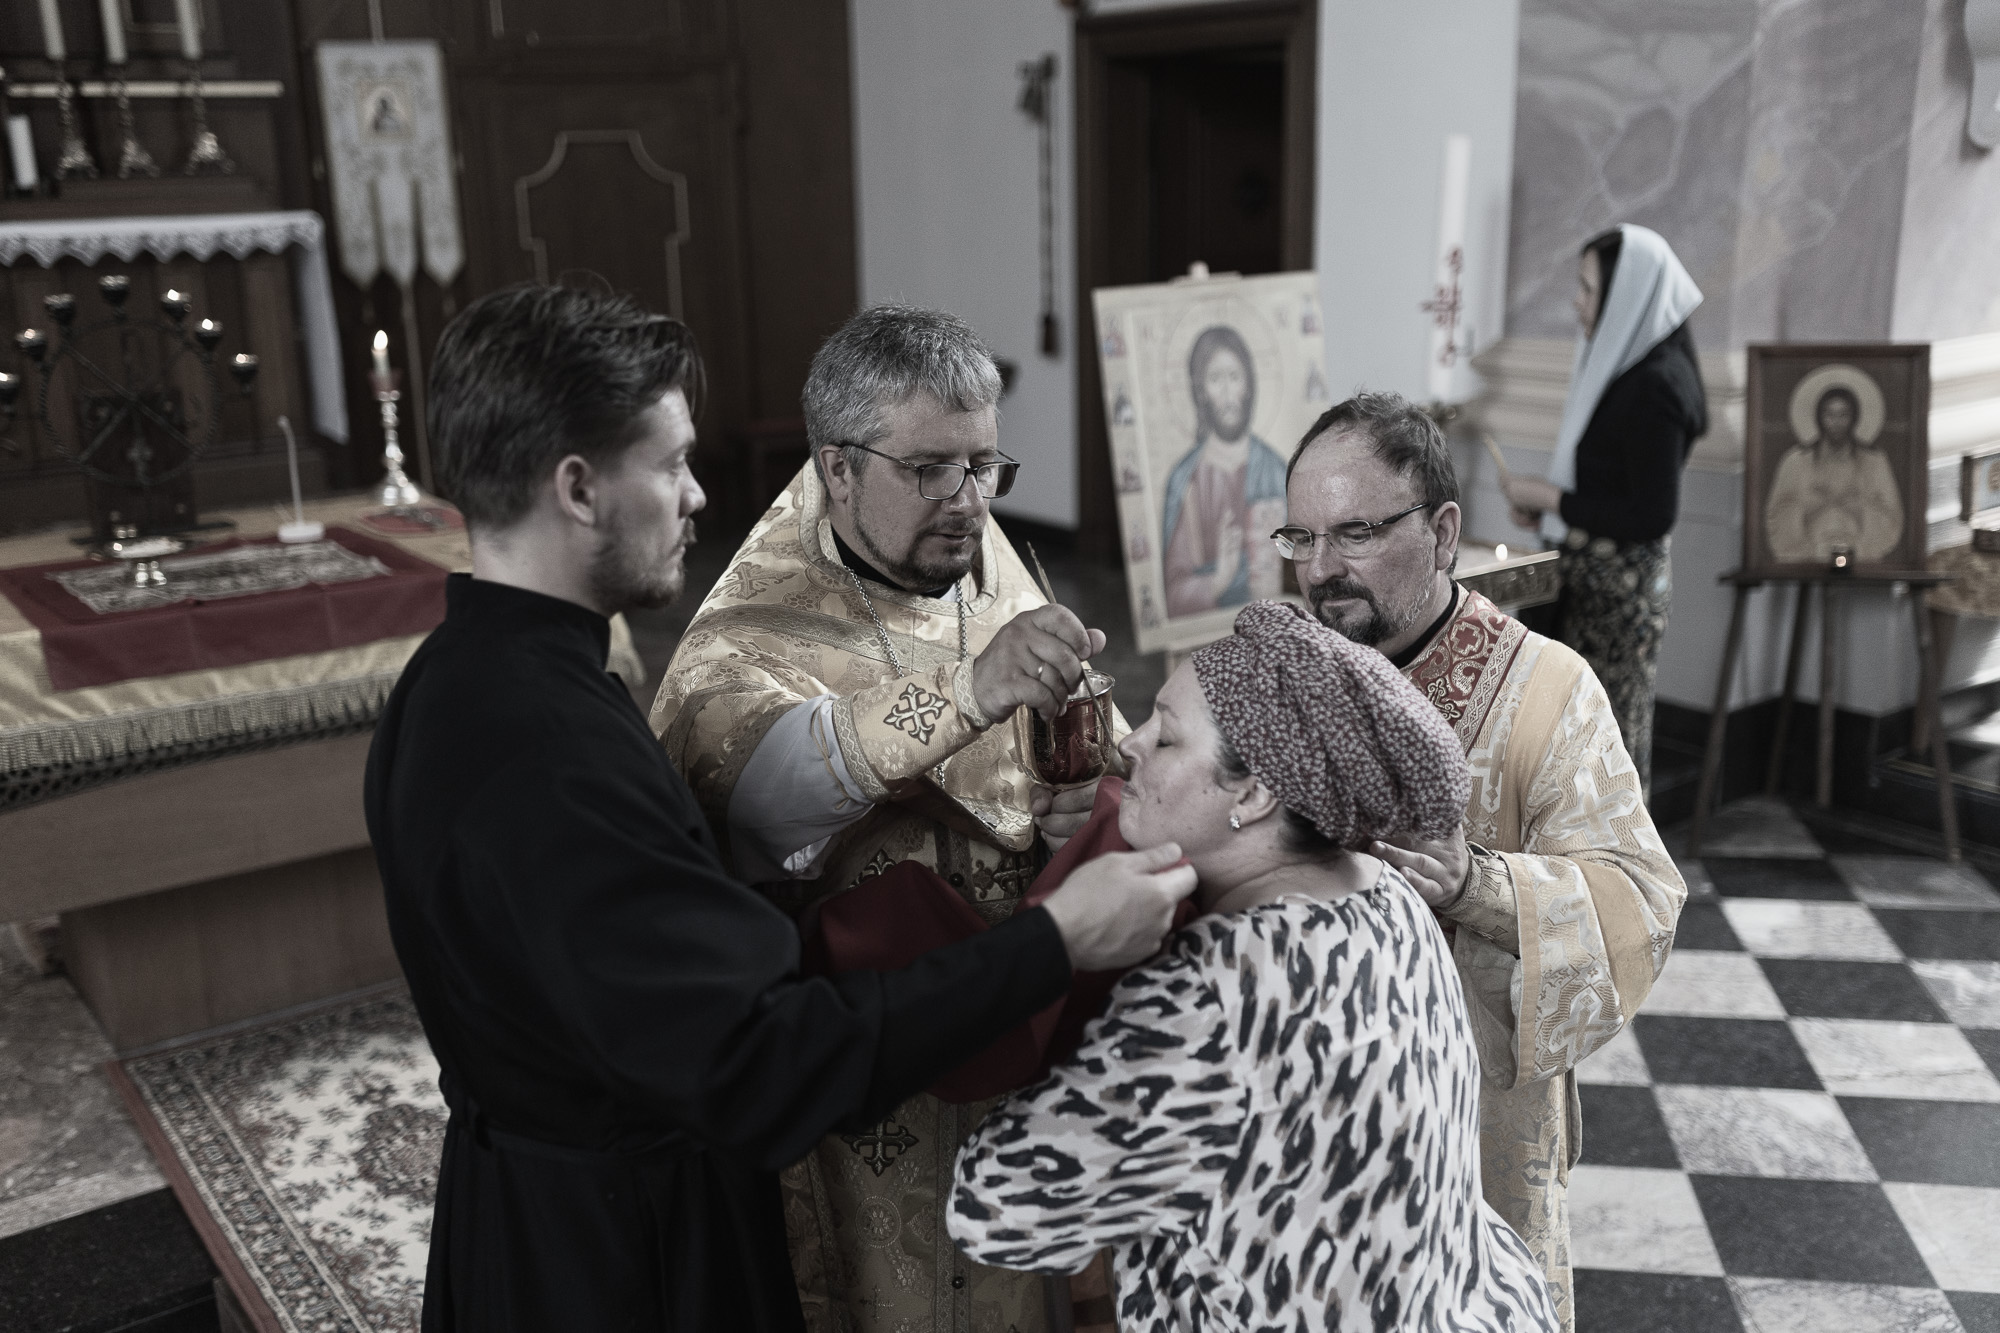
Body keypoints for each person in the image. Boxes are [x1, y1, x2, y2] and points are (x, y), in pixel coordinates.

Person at [363, 285, 1197, 1331]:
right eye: (669, 464)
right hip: (615, 1251)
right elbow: (756, 1058)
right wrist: (1051, 943)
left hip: (569, 1205)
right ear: (577, 488)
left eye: (979, 467)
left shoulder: (454, 679)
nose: (698, 497)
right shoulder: (553, 744)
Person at [652, 304, 1123, 1332]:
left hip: (1017, 1040)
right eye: (929, 470)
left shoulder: (989, 566)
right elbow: (763, 784)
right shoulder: (745, 630)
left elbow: (1081, 757)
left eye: (983, 466)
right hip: (866, 1093)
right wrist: (967, 693)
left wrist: (1073, 803)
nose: (967, 502)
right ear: (835, 468)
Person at [949, 602, 1560, 1332]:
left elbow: (996, 1208)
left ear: (1255, 791)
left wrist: (1062, 949)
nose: (1129, 747)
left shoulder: (1219, 989)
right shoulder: (1386, 893)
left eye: (1167, 736)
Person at [1276, 391, 1687, 1333]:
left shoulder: (1548, 690)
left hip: (1473, 1137)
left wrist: (1477, 884)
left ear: (1444, 530)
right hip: (1311, 1124)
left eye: (1356, 532)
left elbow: (1641, 898)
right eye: (1300, 538)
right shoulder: (1285, 673)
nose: (1322, 569)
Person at [1497, 224, 1707, 791]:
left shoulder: (1657, 386)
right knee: (1573, 748)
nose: (1577, 302)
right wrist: (1552, 516)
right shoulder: (1627, 369)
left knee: (1603, 752)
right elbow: (1615, 489)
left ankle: (1613, 876)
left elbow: (1651, 515)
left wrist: (1550, 498)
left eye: (1589, 289)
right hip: (1590, 588)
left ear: (1627, 296)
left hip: (1615, 604)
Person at [1160, 325, 1289, 617]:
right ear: (1200, 391)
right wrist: (1219, 579)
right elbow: (1172, 593)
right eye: (1216, 379)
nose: (1228, 392)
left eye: (1234, 376)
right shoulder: (1185, 480)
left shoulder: (1275, 469)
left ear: (1248, 385)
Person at [1764, 379, 1903, 562]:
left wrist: (1858, 506)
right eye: (1829, 415)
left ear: (1854, 417)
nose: (1836, 422)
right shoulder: (1795, 462)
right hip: (1810, 550)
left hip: (1857, 549)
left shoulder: (1874, 463)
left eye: (1843, 415)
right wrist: (1809, 505)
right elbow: (1778, 512)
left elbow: (1890, 514)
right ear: (1818, 417)